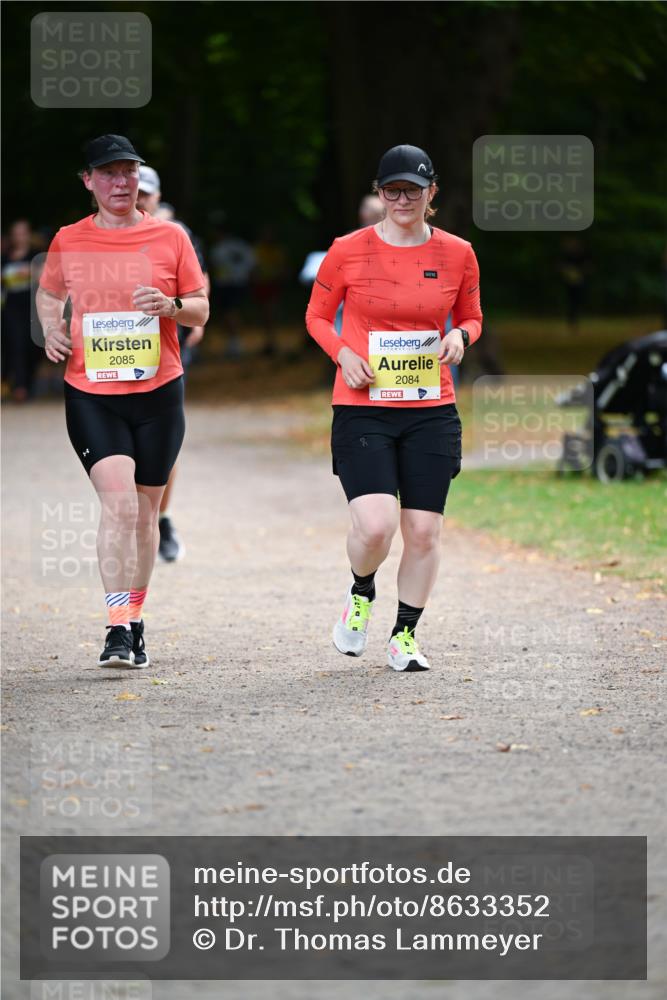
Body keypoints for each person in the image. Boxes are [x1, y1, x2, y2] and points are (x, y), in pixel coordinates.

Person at [306, 144, 482, 672]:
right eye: (392, 189)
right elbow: (317, 316)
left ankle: (404, 635)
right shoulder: (347, 249)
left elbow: (472, 317)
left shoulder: (458, 253)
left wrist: (460, 338)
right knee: (377, 526)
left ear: (432, 193)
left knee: (424, 531)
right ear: (379, 193)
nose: (402, 198)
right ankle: (361, 591)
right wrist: (342, 353)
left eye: (413, 189)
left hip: (431, 406)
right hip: (364, 405)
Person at [36, 134, 208, 668]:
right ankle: (115, 627)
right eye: (108, 173)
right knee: (119, 503)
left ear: (140, 178)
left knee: (146, 514)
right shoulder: (69, 239)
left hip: (158, 392)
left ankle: (135, 619)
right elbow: (48, 293)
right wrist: (50, 330)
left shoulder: (170, 237)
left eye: (128, 172)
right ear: (88, 181)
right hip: (92, 392)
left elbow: (200, 310)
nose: (120, 182)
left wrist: (171, 304)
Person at [136, 165, 209, 562]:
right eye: (136, 192)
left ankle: (161, 519)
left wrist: (197, 320)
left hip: (169, 337)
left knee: (163, 437)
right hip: (116, 343)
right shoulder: (103, 232)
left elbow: (201, 280)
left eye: (146, 193)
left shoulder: (176, 233)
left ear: (158, 196)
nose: (140, 199)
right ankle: (138, 519)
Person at [1, 219, 42, 401]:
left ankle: (28, 383)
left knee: (32, 347)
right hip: (11, 309)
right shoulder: (5, 258)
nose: (20, 237)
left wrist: (32, 272)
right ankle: (19, 387)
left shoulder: (35, 255)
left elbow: (46, 278)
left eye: (23, 233)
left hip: (33, 309)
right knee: (15, 345)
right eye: (16, 233)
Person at [209, 222, 255, 358]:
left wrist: (241, 273)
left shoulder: (231, 246)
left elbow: (249, 260)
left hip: (233, 283)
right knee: (227, 312)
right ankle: (232, 340)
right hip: (224, 283)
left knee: (231, 312)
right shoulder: (221, 247)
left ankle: (235, 342)